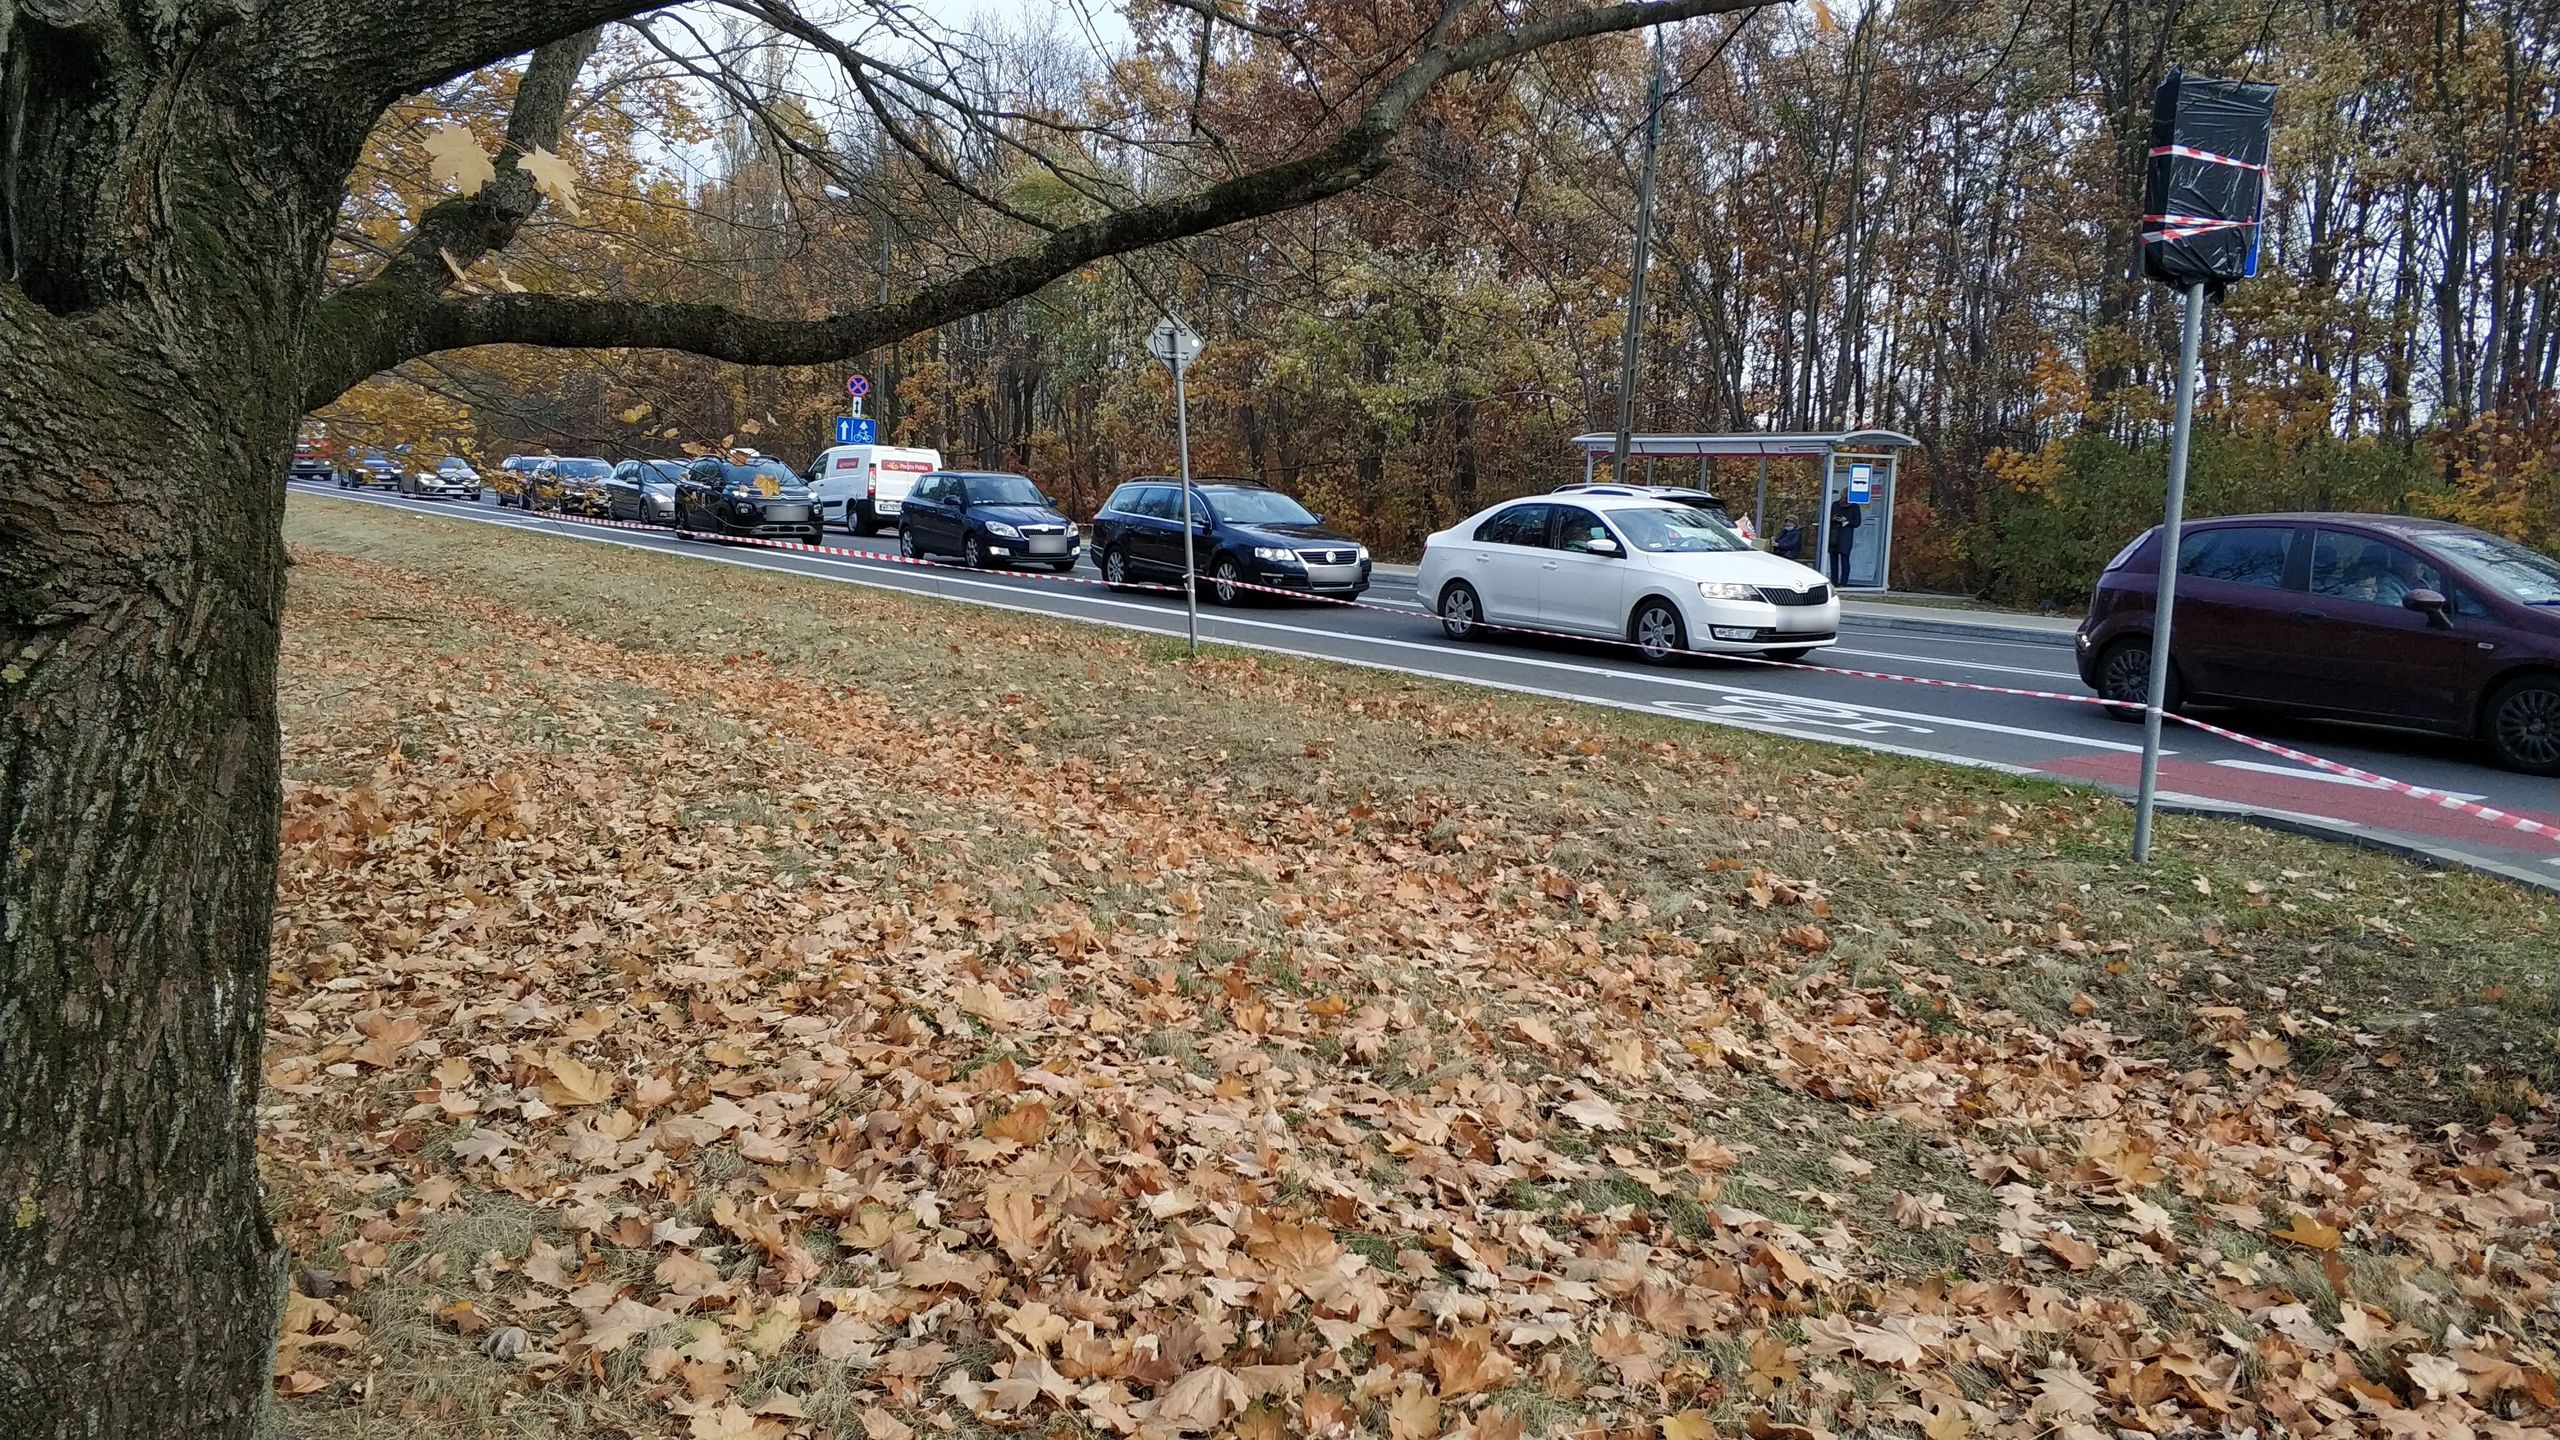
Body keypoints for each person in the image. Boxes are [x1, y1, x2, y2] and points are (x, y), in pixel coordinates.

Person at [1827, 494, 1862, 587]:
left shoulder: (1854, 506)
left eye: (1845, 498)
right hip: (1834, 534)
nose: (1843, 499)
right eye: (1842, 497)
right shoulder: (1835, 504)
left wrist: (1846, 521)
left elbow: (1857, 522)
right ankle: (1834, 582)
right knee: (1833, 560)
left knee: (1844, 559)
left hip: (1845, 535)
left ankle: (1843, 582)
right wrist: (1833, 519)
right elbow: (1827, 517)